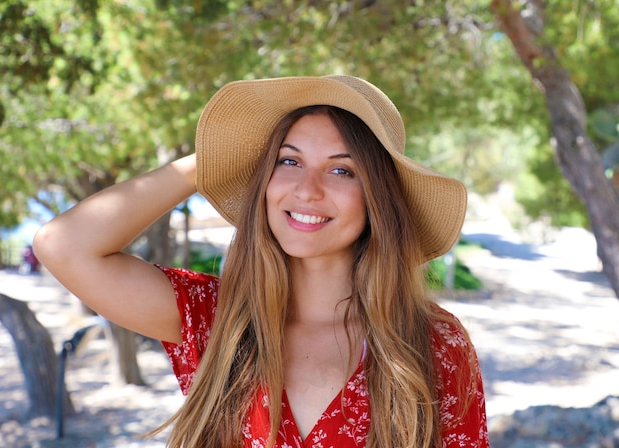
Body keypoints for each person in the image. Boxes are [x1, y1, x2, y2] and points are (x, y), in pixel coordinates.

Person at [33, 75, 489, 448]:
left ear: (378, 199)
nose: (307, 190)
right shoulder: (215, 320)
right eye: (288, 162)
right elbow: (62, 245)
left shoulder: (431, 343)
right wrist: (211, 160)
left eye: (341, 170)